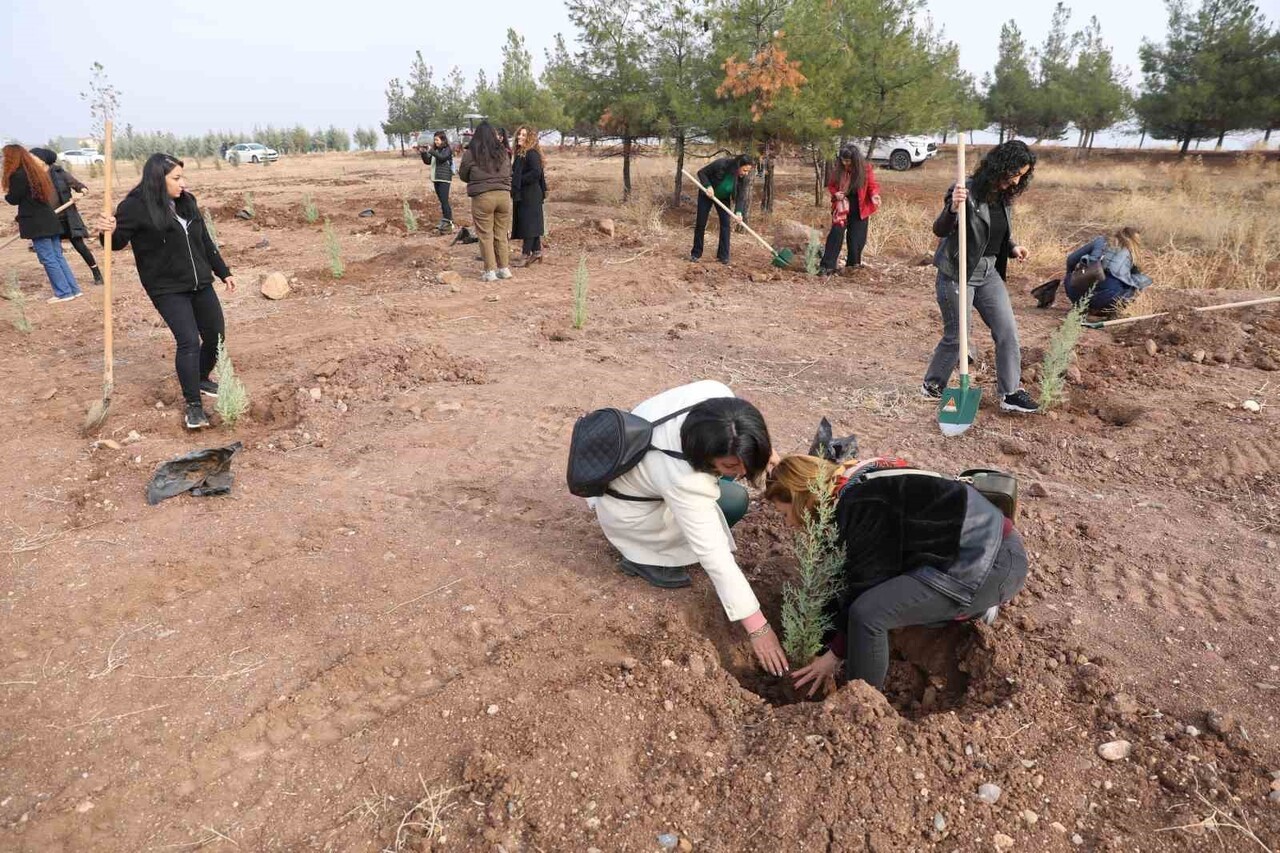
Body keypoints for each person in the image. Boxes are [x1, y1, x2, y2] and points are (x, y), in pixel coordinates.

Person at [763, 454, 1028, 696]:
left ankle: (860, 707)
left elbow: (865, 586)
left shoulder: (859, 503)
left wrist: (833, 655)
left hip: (989, 564)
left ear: (800, 498)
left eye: (785, 513)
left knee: (869, 615)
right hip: (977, 554)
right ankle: (968, 609)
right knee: (878, 602)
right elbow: (847, 580)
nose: (788, 524)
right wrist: (821, 644)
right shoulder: (851, 483)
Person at [591, 380, 789, 677]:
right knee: (732, 503)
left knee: (732, 496)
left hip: (639, 475)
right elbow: (715, 556)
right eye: (730, 466)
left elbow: (744, 433)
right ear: (703, 455)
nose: (742, 472)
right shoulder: (683, 478)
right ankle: (642, 558)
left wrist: (764, 453)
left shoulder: (717, 396)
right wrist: (759, 628)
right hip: (630, 513)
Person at [95, 154, 237, 430]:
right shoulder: (134, 207)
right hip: (167, 288)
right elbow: (115, 242)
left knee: (215, 335)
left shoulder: (187, 201)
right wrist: (106, 230)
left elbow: (204, 241)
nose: (182, 183)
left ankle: (201, 376)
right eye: (176, 178)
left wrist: (224, 272)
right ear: (158, 180)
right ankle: (193, 406)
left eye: (182, 177)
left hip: (200, 283)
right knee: (188, 342)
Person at [922, 140, 1039, 415]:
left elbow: (997, 233)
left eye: (1022, 175)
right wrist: (953, 208)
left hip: (988, 273)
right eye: (1015, 173)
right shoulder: (965, 191)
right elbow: (940, 230)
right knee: (959, 335)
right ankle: (932, 384)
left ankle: (1010, 393)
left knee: (1007, 331)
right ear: (1002, 166)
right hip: (957, 271)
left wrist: (1012, 247)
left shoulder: (1004, 197)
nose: (1017, 180)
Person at [3, 144, 83, 303]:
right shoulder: (35, 172)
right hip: (49, 219)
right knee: (57, 256)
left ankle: (63, 293)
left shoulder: (18, 175)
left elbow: (13, 199)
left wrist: (6, 196)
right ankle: (73, 289)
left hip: (37, 223)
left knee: (48, 258)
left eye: (6, 157)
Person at [1034, 227, 1152, 315]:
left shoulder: (1100, 241)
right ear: (1134, 240)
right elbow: (1135, 279)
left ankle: (1084, 306)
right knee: (1139, 282)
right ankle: (1106, 310)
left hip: (1076, 295)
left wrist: (1070, 277)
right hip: (1107, 299)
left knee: (1073, 274)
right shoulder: (1133, 252)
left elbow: (1071, 260)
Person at [30, 148, 102, 285]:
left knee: (80, 246)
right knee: (55, 251)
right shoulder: (34, 177)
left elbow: (80, 186)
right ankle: (65, 281)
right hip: (49, 219)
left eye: (34, 157)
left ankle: (96, 273)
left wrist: (81, 192)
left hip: (67, 217)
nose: (31, 160)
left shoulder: (59, 173)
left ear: (42, 159)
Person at [457, 122, 513, 282]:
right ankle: (504, 269)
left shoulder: (471, 153)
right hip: (503, 196)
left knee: (485, 234)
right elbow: (509, 171)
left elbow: (463, 175)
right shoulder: (503, 151)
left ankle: (490, 271)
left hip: (483, 198)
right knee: (501, 234)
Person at [821, 145, 881, 274]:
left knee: (856, 240)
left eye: (848, 161)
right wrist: (835, 193)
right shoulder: (839, 169)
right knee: (835, 235)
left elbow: (872, 185)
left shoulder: (865, 169)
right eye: (843, 160)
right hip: (842, 207)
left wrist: (874, 195)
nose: (845, 163)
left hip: (860, 208)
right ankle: (827, 266)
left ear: (855, 159)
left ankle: (852, 267)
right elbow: (831, 186)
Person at [690, 154, 755, 264]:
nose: (746, 173)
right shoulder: (721, 164)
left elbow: (741, 196)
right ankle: (696, 253)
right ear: (738, 165)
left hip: (723, 198)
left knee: (725, 224)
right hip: (707, 195)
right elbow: (701, 173)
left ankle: (723, 256)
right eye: (744, 170)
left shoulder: (742, 178)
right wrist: (708, 186)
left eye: (748, 171)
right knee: (701, 223)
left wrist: (739, 212)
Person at [510, 125, 547, 266]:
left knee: (529, 225)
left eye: (524, 135)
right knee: (531, 223)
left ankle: (525, 255)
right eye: (519, 134)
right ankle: (536, 251)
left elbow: (536, 173)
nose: (520, 137)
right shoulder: (521, 153)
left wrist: (518, 180)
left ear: (530, 138)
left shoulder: (531, 153)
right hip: (525, 193)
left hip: (531, 194)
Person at [418, 131, 455, 233]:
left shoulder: (447, 149)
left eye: (437, 140)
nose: (435, 142)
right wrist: (423, 153)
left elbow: (442, 158)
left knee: (444, 201)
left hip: (444, 178)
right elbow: (428, 161)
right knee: (442, 202)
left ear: (443, 140)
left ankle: (449, 222)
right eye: (434, 140)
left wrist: (431, 151)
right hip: (436, 178)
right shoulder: (436, 150)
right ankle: (446, 221)